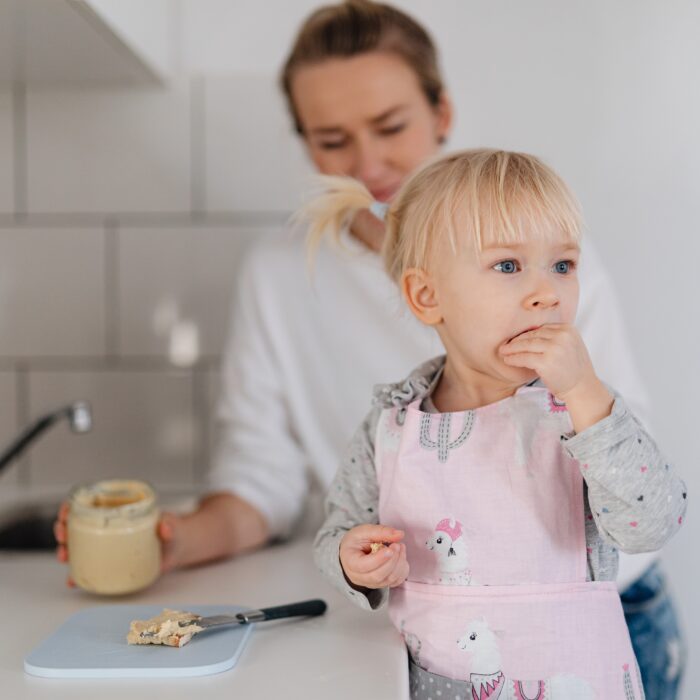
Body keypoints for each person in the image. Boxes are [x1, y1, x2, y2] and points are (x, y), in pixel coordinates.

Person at [54, 2, 685, 695]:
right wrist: (180, 540)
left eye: (391, 127)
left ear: (441, 111)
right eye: (332, 140)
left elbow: (642, 496)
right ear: (422, 298)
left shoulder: (549, 266)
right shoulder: (296, 294)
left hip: (598, 629)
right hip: (438, 654)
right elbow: (273, 481)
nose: (369, 163)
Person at [309, 148, 687, 698]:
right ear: (427, 295)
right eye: (508, 266)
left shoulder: (583, 413)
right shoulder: (391, 425)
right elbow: (336, 531)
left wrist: (585, 393)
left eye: (563, 265)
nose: (546, 292)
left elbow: (654, 524)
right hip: (439, 682)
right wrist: (352, 562)